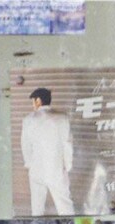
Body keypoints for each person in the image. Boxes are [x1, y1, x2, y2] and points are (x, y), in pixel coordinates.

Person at [21, 88, 75, 216]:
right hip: (56, 170)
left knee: (37, 209)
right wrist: (68, 165)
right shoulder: (62, 119)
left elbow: (26, 145)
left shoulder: (28, 120)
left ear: (38, 101)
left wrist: (29, 164)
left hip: (36, 170)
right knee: (65, 208)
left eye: (33, 101)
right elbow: (67, 144)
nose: (33, 104)